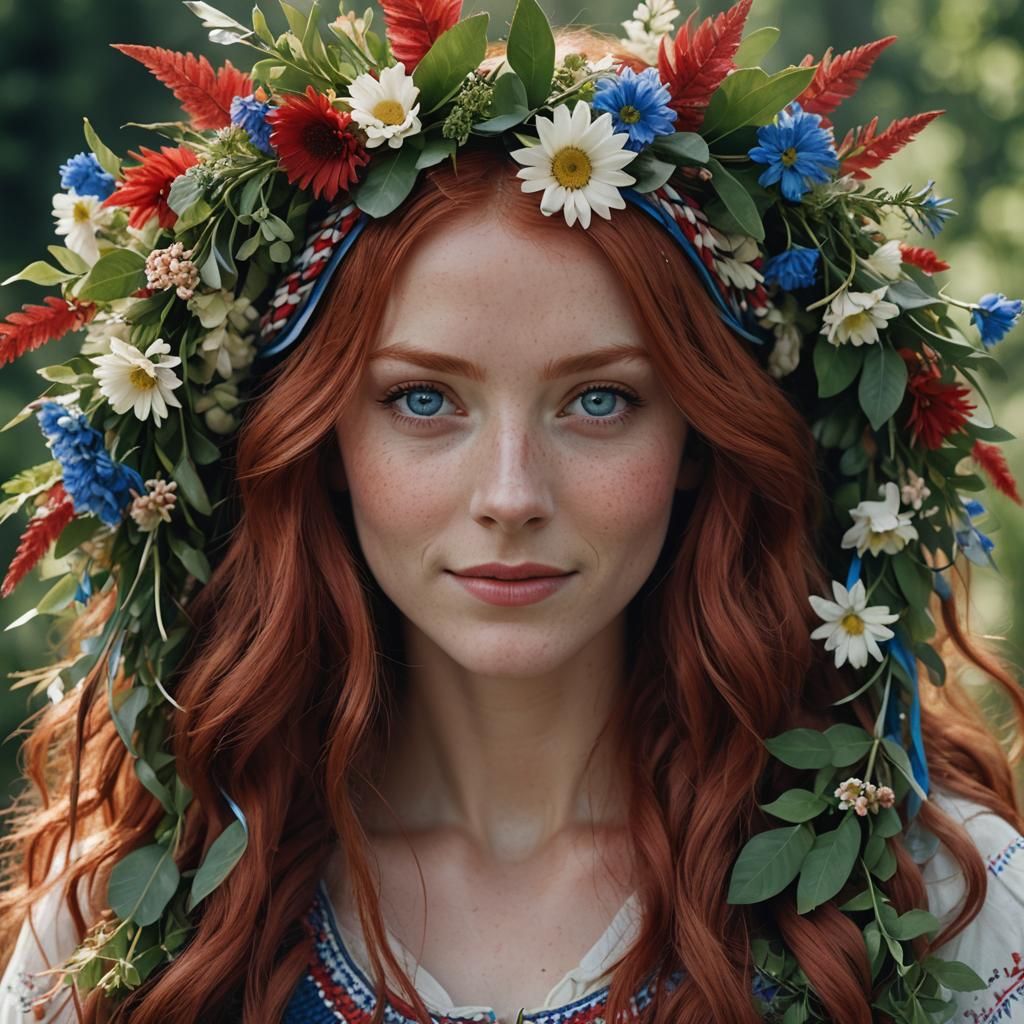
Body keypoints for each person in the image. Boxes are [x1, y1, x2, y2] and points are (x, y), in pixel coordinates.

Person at [1, 3, 1023, 1023]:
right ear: (318, 442)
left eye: (599, 401)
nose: (510, 496)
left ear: (701, 445)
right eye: (422, 399)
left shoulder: (932, 905)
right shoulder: (123, 933)